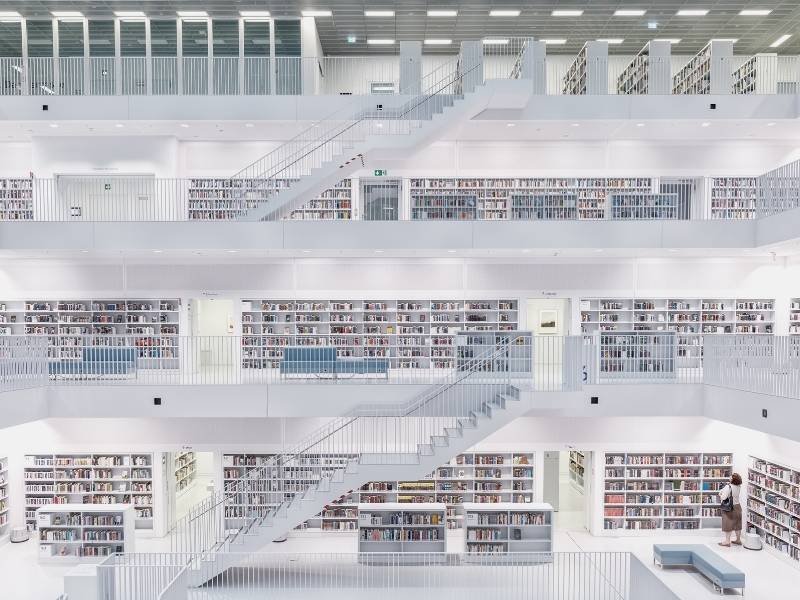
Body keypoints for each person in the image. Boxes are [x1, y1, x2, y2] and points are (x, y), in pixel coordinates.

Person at [719, 473, 743, 547]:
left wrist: (720, 494)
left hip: (729, 507)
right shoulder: (738, 486)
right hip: (738, 506)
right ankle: (738, 540)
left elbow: (723, 497)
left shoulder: (728, 487)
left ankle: (727, 541)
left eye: (731, 476)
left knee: (728, 524)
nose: (730, 477)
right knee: (737, 524)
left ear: (733, 479)